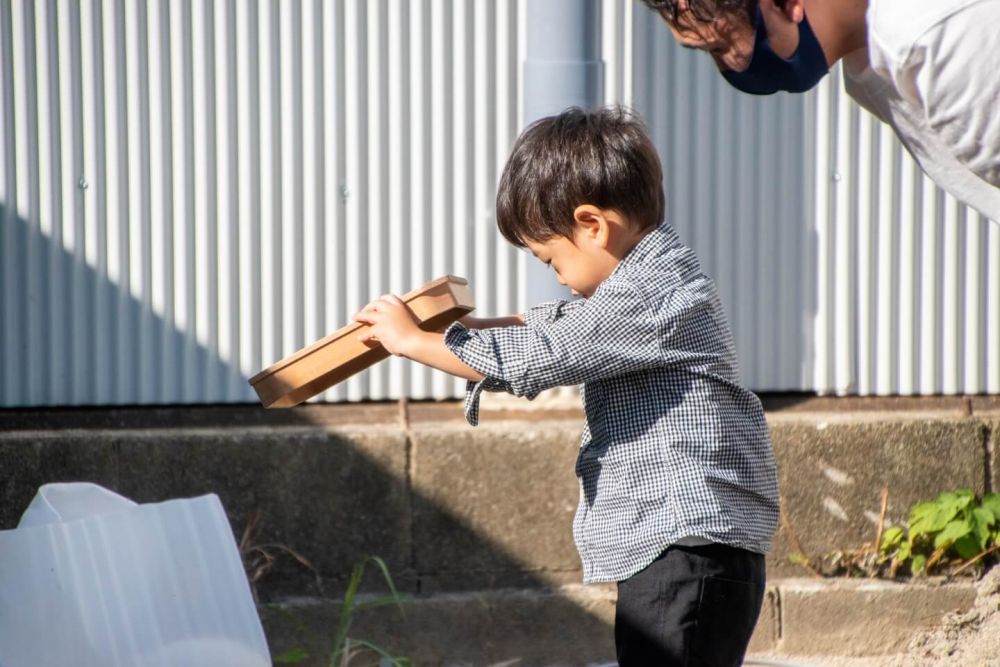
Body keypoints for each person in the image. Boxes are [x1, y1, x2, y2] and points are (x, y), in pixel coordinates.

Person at [353, 106, 780, 665]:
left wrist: (413, 342)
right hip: (687, 548)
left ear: (593, 225)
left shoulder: (652, 294)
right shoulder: (650, 279)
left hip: (687, 546)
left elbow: (544, 355)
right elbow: (557, 327)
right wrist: (469, 328)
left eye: (551, 260)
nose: (554, 275)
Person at [641, 0, 1000, 222]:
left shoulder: (931, 34)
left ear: (785, 4)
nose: (729, 66)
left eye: (721, 46)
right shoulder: (870, 55)